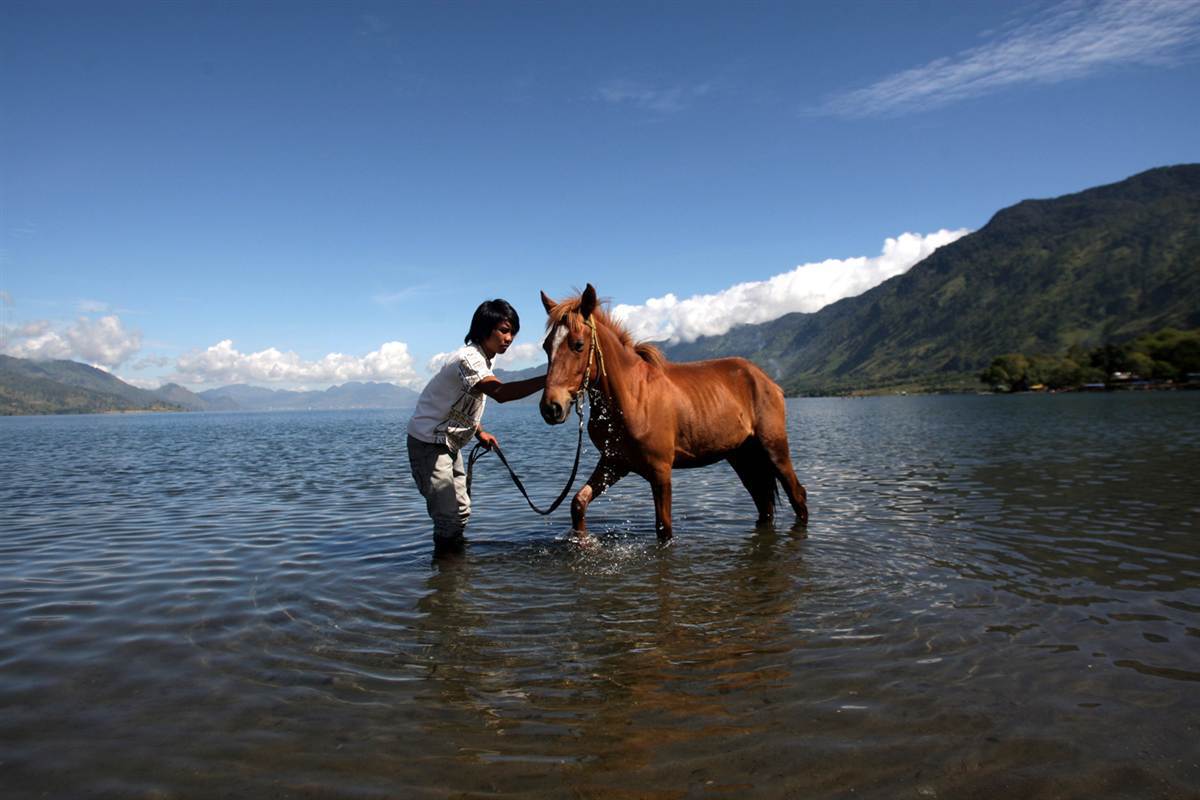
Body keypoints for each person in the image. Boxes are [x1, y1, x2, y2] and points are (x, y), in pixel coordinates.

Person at [406, 298, 546, 554]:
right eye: (504, 330)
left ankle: (452, 570)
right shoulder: (468, 358)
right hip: (429, 443)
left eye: (513, 331)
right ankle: (448, 573)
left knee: (460, 511)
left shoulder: (484, 359)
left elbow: (457, 402)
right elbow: (500, 393)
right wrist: (551, 378)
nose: (510, 337)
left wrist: (479, 431)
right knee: (448, 516)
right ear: (484, 329)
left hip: (448, 442)